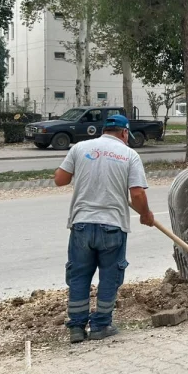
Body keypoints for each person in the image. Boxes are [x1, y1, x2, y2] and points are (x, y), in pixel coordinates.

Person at [54, 114, 154, 343]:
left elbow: (60, 179)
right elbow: (137, 193)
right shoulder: (129, 154)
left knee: (79, 275)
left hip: (81, 224)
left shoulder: (80, 148)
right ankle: (100, 326)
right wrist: (145, 214)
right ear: (125, 133)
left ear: (104, 131)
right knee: (110, 276)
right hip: (112, 225)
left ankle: (76, 328)